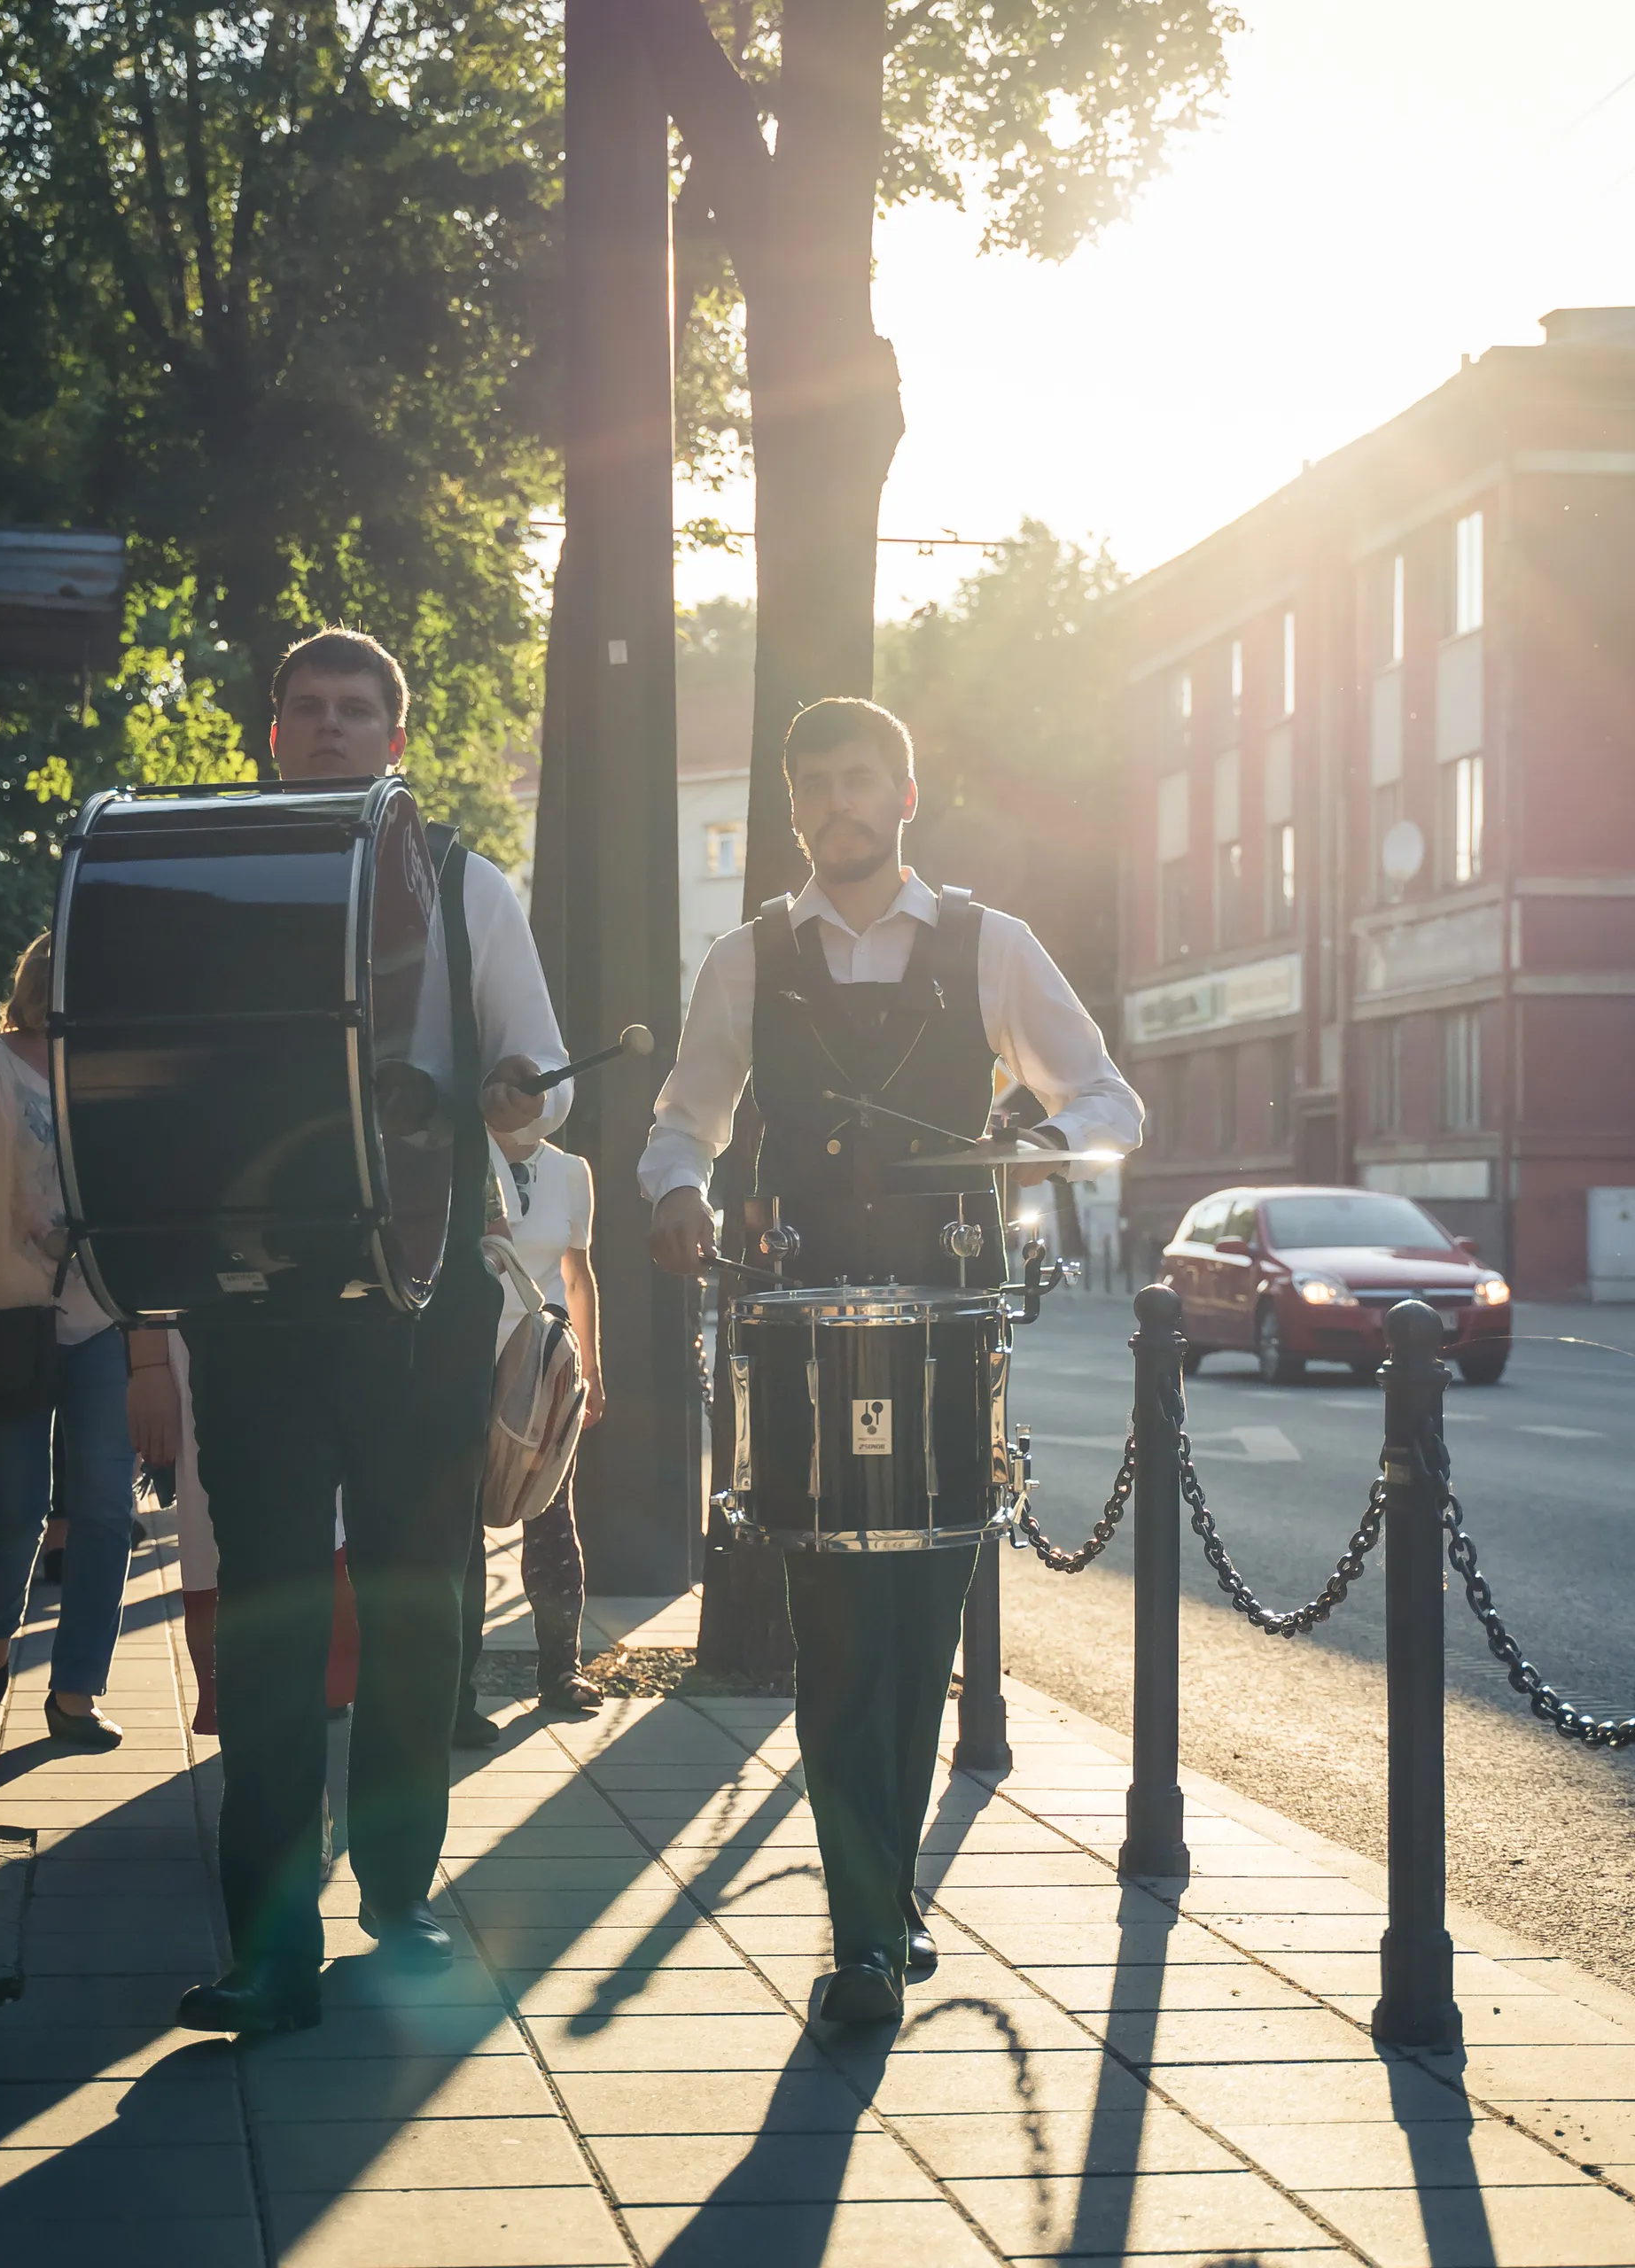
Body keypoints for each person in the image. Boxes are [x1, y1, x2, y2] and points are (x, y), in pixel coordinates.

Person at [643, 696, 1141, 2026]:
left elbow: (1111, 1103)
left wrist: (1031, 1149)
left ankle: (884, 1897)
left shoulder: (990, 943)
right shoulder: (748, 957)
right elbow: (686, 1115)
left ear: (905, 796)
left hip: (949, 1325)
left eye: (859, 779)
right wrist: (676, 1187)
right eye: (813, 784)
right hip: (801, 1329)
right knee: (834, 1630)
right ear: (794, 806)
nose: (836, 804)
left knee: (921, 1630)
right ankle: (865, 1932)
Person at [172, 629, 569, 2038]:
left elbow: (541, 1078)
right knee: (270, 1618)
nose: (331, 727)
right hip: (253, 1298)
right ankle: (269, 1947)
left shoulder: (464, 883)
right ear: (274, 731)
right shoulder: (206, 881)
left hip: (421, 1295)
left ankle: (401, 1899)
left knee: (417, 1606)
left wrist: (518, 1098)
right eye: (308, 708)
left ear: (396, 740)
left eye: (357, 710)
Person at [0, 937, 170, 1750]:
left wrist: (151, 1348)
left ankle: (75, 1693)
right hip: (1, 1316)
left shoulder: (117, 1072)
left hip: (102, 1321)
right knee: (17, 1504)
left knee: (104, 1506)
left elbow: (146, 1212)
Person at [453, 1121, 608, 1746]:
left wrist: (592, 1373)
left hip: (542, 1371)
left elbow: (578, 1275)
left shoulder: (572, 1171)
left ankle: (562, 1669)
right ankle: (456, 1692)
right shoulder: (464, 1153)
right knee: (461, 1527)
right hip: (466, 1360)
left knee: (552, 1514)